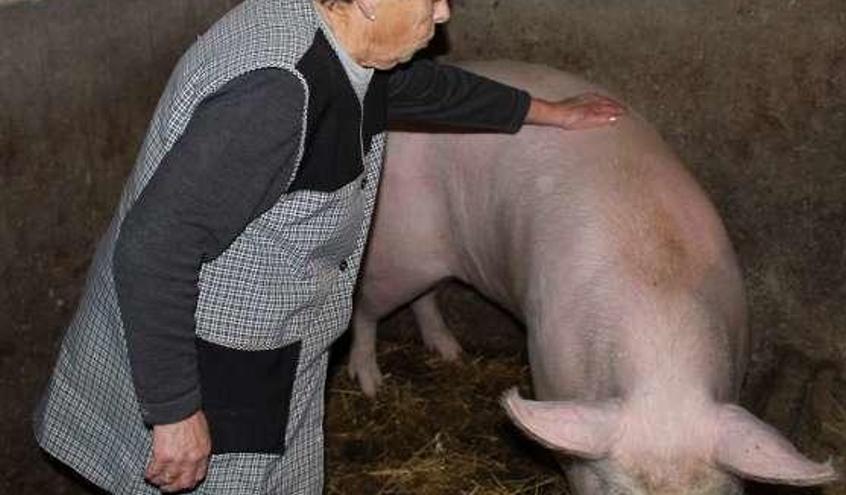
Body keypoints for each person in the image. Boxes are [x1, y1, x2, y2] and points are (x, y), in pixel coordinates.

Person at [33, 0, 624, 493]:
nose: (443, 13)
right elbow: (154, 248)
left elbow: (417, 90)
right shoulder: (276, 98)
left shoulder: (327, 35)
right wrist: (175, 412)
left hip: (264, 345)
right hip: (213, 365)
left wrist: (546, 114)